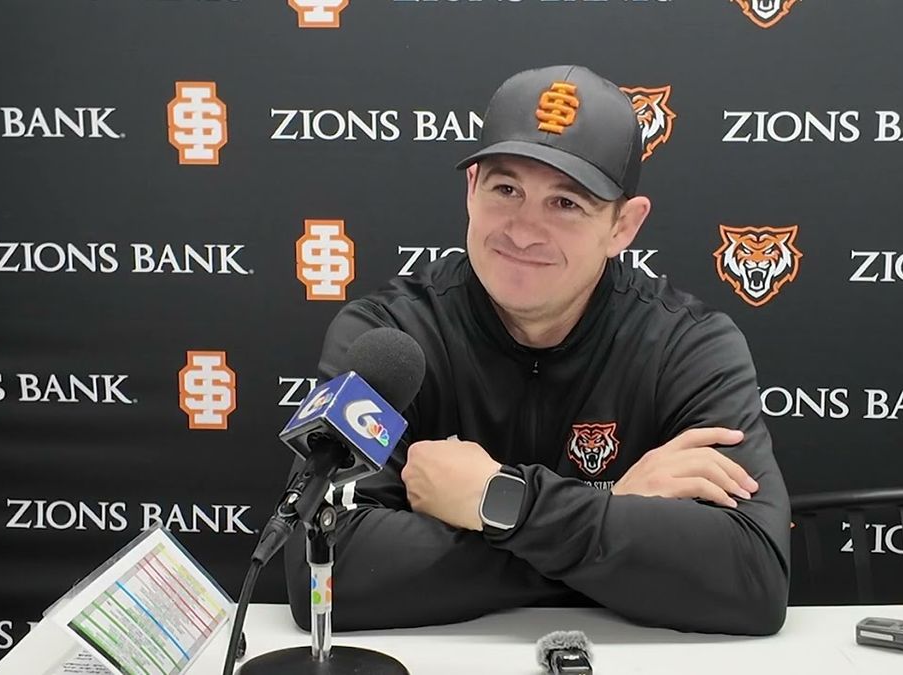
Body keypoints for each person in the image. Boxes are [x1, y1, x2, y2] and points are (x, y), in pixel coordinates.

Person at [283, 64, 791, 636]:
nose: (524, 231)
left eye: (566, 204)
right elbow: (320, 573)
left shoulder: (688, 344)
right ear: (470, 190)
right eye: (507, 190)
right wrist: (610, 514)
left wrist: (497, 501)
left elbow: (753, 580)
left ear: (624, 225)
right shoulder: (389, 334)